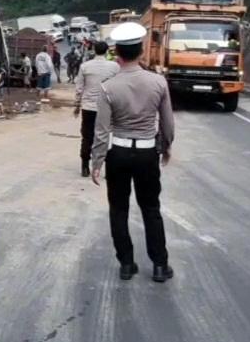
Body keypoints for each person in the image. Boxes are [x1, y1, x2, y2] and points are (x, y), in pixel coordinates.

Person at [90, 22, 176, 283]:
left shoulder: (108, 87)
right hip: (147, 154)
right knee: (151, 208)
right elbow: (167, 123)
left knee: (118, 209)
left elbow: (101, 130)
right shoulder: (158, 82)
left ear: (117, 53)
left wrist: (97, 161)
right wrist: (166, 147)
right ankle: (160, 265)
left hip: (118, 154)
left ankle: (126, 264)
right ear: (141, 52)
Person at [74, 41, 120, 178]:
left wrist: (77, 105)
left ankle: (85, 166)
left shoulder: (85, 66)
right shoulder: (114, 67)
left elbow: (79, 88)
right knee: (105, 137)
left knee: (87, 136)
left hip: (88, 107)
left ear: (94, 50)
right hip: (107, 108)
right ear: (107, 51)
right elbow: (119, 87)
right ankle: (106, 167)